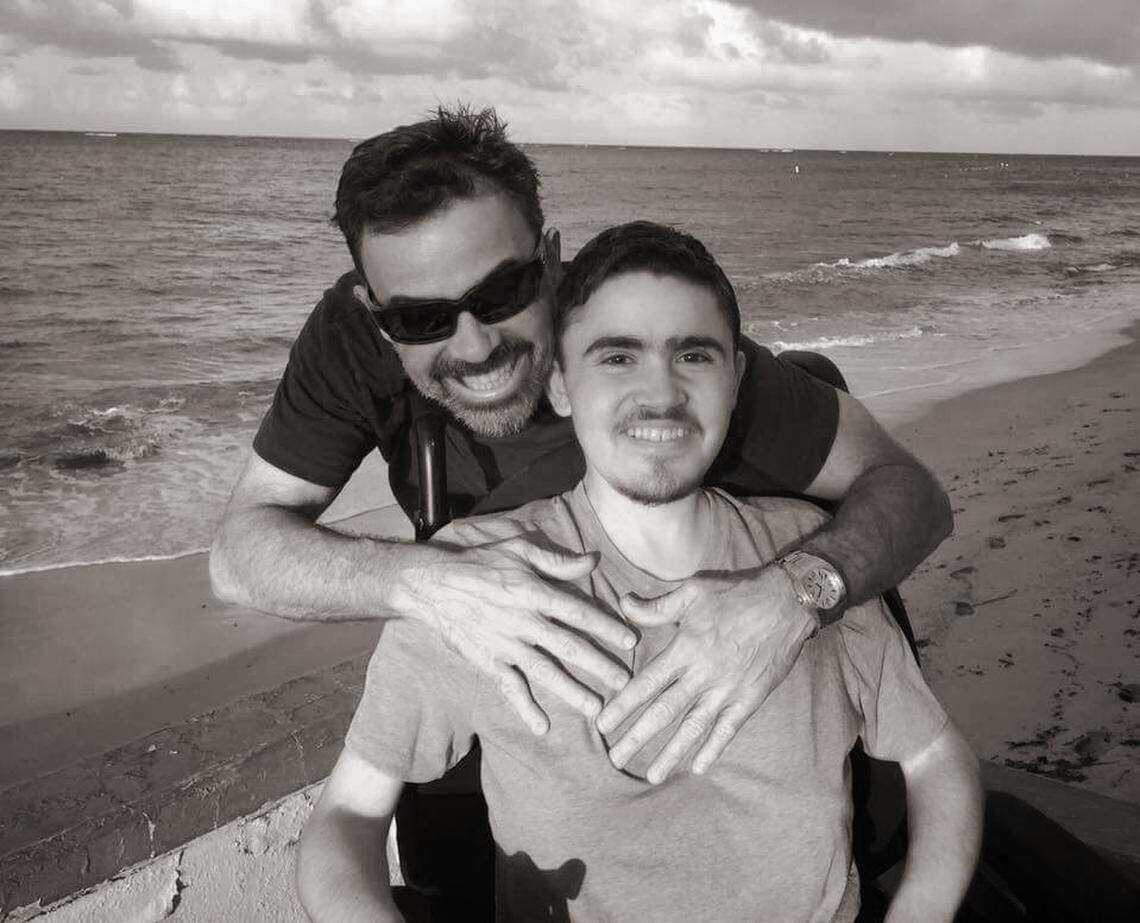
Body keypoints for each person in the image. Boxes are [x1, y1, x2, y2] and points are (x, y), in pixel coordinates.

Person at [210, 105, 953, 776]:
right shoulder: (351, 342)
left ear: (553, 261)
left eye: (502, 293)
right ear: (376, 316)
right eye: (420, 320)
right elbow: (242, 553)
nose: (474, 346)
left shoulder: (648, 352)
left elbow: (910, 490)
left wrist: (791, 596)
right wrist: (428, 582)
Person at [295, 221, 983, 923]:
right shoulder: (475, 582)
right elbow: (346, 816)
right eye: (617, 357)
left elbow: (938, 759)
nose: (661, 392)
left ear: (736, 379)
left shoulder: (815, 557)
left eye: (693, 354)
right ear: (560, 386)